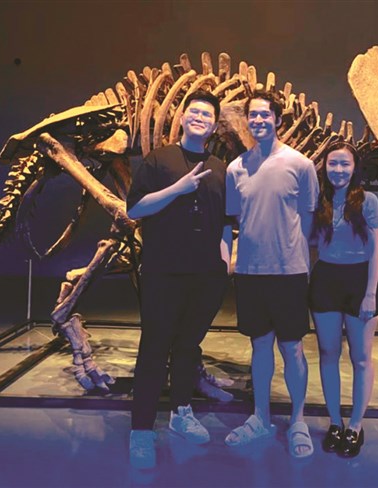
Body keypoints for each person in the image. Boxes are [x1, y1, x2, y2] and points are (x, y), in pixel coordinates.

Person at [126, 90, 232, 469]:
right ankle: (141, 429)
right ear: (183, 117)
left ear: (214, 125)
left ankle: (181, 412)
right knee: (155, 346)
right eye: (195, 112)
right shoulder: (158, 160)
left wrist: (224, 263)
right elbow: (134, 209)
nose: (200, 118)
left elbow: (226, 221)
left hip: (206, 275)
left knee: (188, 345)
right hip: (163, 271)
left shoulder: (221, 169)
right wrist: (178, 189)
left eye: (207, 114)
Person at [224, 91, 319, 458]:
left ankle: (298, 420)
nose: (259, 121)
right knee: (259, 345)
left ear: (278, 119)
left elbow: (307, 219)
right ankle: (260, 417)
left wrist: (292, 256)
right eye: (253, 115)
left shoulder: (301, 165)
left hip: (288, 271)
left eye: (265, 115)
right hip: (250, 272)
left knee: (292, 347)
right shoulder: (236, 168)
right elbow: (236, 219)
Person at [309, 141, 378, 458]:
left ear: (354, 169)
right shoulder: (320, 200)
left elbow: (375, 251)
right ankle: (335, 423)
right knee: (328, 353)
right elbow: (312, 240)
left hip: (359, 281)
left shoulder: (368, 201)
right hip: (326, 280)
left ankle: (355, 425)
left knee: (361, 357)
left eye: (344, 164)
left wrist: (370, 294)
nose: (338, 170)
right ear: (325, 167)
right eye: (333, 163)